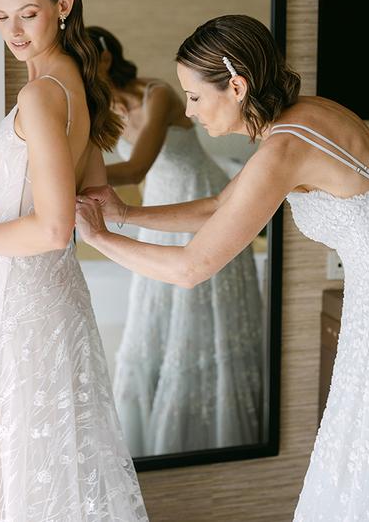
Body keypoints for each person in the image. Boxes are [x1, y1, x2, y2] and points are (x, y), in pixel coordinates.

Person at [77, 14, 369, 521]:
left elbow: (191, 267)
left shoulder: (284, 147)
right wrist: (126, 213)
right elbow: (222, 203)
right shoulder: (303, 116)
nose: (190, 112)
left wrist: (100, 238)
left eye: (195, 97)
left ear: (236, 86)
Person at [0, 0, 148, 522]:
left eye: (27, 14)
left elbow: (57, 227)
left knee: (24, 463)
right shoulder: (71, 81)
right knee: (49, 458)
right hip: (45, 295)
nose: (13, 30)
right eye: (0, 17)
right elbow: (75, 199)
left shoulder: (40, 93)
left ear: (62, 5)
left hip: (22, 299)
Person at [85, 25, 263, 458]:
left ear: (106, 59)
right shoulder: (102, 108)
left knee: (202, 307)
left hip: (196, 195)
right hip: (161, 206)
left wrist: (67, 181)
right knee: (155, 311)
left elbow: (137, 167)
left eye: (86, 61)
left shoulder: (160, 95)